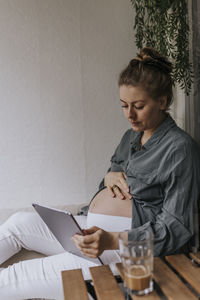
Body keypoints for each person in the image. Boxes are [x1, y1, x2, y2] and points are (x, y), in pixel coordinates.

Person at [0, 47, 200, 299]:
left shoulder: (180, 149)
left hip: (124, 247)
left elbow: (176, 228)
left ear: (162, 101)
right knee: (18, 222)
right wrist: (109, 176)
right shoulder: (131, 137)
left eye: (138, 106)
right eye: (124, 105)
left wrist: (112, 241)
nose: (129, 115)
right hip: (93, 227)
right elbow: (114, 172)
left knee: (11, 278)